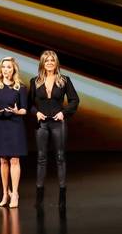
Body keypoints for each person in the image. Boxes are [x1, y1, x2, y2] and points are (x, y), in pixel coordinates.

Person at [29, 50, 79, 209]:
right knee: (41, 158)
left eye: (52, 60)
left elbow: (74, 100)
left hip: (58, 123)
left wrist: (63, 113)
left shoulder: (64, 80)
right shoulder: (34, 81)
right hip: (42, 124)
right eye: (46, 60)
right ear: (42, 63)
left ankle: (62, 195)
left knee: (60, 157)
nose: (49, 63)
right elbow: (28, 104)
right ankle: (39, 196)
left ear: (56, 63)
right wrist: (36, 113)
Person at [0, 56, 28, 209]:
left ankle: (15, 194)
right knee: (3, 160)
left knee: (14, 160)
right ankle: (5, 193)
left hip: (15, 125)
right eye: (4, 67)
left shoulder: (20, 87)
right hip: (0, 125)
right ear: (1, 69)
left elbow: (24, 109)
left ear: (14, 69)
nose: (6, 70)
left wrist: (18, 111)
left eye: (9, 67)